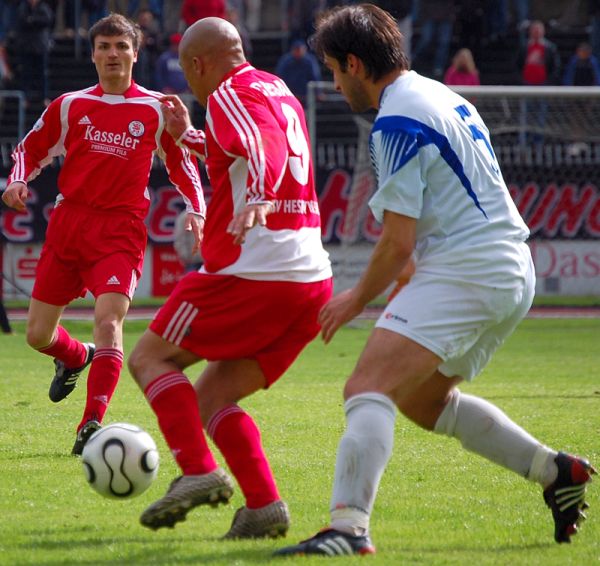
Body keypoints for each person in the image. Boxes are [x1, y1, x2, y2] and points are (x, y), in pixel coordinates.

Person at [275, 4, 596, 556]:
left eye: (333, 70)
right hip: (508, 268)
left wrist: (354, 299)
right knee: (423, 400)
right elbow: (425, 224)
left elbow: (397, 241)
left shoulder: (395, 121)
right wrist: (409, 281)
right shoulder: (441, 94)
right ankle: (555, 472)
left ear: (355, 64)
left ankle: (348, 528)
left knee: (366, 387)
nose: (335, 84)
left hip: (469, 268)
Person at [126, 16, 332, 539]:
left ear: (197, 65)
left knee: (149, 358)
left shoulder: (227, 92)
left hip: (255, 269)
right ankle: (263, 507)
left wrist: (259, 195)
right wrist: (187, 137)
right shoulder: (274, 87)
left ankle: (197, 471)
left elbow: (264, 145)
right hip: (309, 280)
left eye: (187, 73)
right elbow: (242, 146)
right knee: (212, 398)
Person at [1, 13, 205, 456]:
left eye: (121, 46)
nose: (113, 54)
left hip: (120, 228)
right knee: (37, 335)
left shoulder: (156, 108)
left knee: (110, 320)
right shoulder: (70, 105)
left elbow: (181, 163)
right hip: (69, 225)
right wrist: (18, 180)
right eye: (104, 47)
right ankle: (76, 356)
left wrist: (196, 208)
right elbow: (30, 149)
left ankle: (91, 423)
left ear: (136, 52)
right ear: (93, 55)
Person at [274, 39, 321, 107]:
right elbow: (279, 76)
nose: (298, 52)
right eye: (296, 49)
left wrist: (318, 92)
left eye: (300, 49)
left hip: (306, 95)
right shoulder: (286, 61)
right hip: (289, 94)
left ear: (305, 49)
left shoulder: (309, 60)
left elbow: (315, 76)